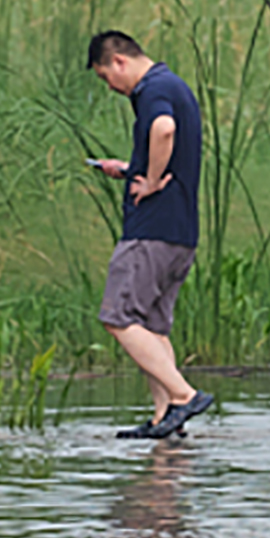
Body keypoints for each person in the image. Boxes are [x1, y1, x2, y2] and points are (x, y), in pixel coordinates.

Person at [85, 30, 214, 438]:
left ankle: (182, 395)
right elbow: (169, 143)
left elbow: (163, 130)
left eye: (106, 77)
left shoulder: (151, 90)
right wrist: (130, 168)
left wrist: (152, 181)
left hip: (150, 231)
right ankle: (165, 418)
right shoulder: (175, 85)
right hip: (180, 233)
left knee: (117, 318)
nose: (110, 87)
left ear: (119, 61)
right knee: (153, 327)